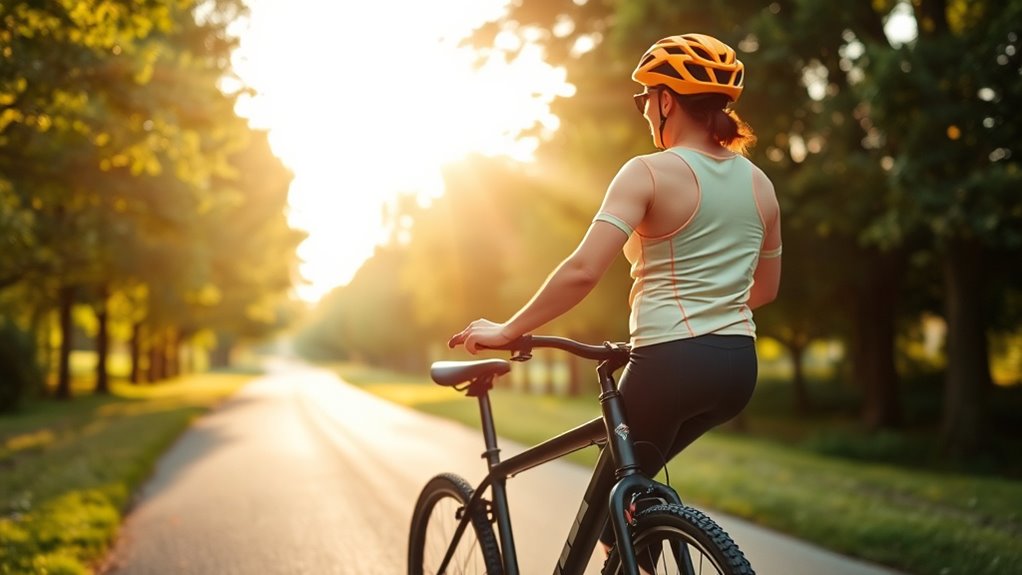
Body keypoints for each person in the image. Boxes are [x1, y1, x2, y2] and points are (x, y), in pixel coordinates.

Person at [448, 33, 782, 554]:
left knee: (614, 504)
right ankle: (636, 537)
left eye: (645, 98)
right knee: (629, 504)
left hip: (670, 364)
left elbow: (583, 271)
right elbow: (764, 289)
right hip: (738, 367)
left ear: (665, 101)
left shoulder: (648, 172)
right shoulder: (760, 185)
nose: (644, 110)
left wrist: (509, 329)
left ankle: (627, 540)